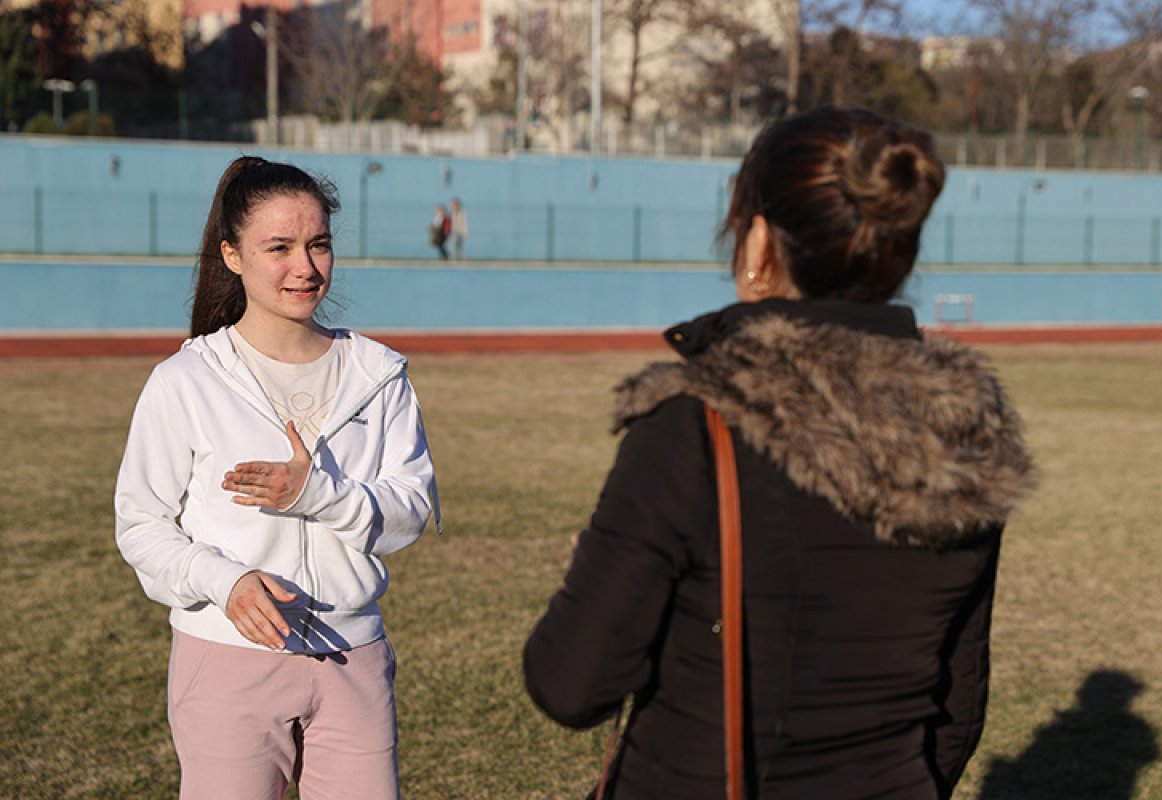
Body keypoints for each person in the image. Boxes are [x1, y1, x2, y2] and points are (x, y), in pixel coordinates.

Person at [523, 106, 1036, 800]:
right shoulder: (965, 430)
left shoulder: (694, 423)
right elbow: (956, 707)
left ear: (760, 244)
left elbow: (571, 685)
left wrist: (595, 568)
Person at [115, 155, 440, 800]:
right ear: (231, 255)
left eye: (318, 244)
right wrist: (225, 582)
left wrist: (317, 493)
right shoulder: (186, 381)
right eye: (279, 247)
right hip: (227, 659)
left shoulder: (377, 376)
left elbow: (410, 510)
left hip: (353, 659)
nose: (306, 267)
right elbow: (141, 526)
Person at [449, 197, 469, 261]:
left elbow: (464, 223)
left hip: (460, 232)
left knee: (459, 246)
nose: (452, 206)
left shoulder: (462, 212)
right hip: (453, 232)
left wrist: (465, 232)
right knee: (453, 245)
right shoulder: (452, 212)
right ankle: (453, 258)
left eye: (453, 204)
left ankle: (461, 258)